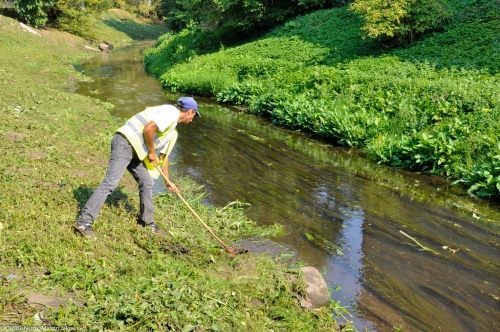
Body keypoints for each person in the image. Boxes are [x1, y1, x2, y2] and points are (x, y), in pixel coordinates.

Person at [73, 97, 200, 239]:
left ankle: (146, 222)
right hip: (125, 143)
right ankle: (84, 222)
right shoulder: (171, 112)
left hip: (136, 151)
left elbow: (165, 156)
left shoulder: (172, 129)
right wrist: (152, 152)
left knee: (147, 182)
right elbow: (148, 128)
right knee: (110, 183)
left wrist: (167, 181)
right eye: (194, 115)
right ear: (190, 111)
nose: (192, 120)